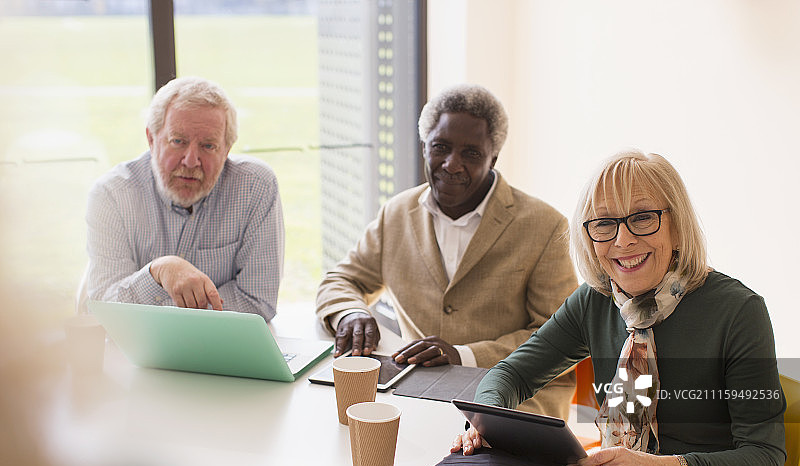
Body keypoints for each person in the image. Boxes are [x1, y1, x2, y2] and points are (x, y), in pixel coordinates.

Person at [452, 150, 786, 466]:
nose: (623, 240)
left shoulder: (739, 311)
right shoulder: (595, 299)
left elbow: (765, 460)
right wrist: (486, 421)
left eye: (643, 218)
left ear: (677, 226)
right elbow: (512, 374)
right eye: (604, 224)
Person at [316, 84, 577, 418]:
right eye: (441, 147)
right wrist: (350, 313)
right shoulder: (397, 213)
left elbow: (559, 338)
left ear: (493, 157)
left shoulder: (545, 226)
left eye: (471, 153)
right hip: (416, 396)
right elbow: (341, 280)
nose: (452, 165)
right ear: (425, 146)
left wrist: (464, 355)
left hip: (514, 399)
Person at [83, 76, 284, 321]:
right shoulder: (112, 196)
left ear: (227, 149)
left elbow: (257, 303)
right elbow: (103, 308)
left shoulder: (256, 187)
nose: (191, 161)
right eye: (178, 141)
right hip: (137, 353)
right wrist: (159, 272)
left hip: (221, 350)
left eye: (208, 146)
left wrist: (152, 313)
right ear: (151, 138)